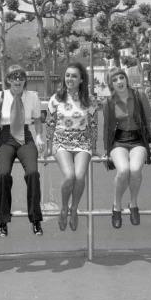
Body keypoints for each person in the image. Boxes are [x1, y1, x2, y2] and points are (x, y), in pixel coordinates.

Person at [103, 67, 151, 229]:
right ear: (111, 84)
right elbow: (107, 128)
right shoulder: (108, 102)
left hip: (137, 140)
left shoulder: (139, 95)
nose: (119, 82)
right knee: (123, 170)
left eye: (121, 78)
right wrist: (107, 151)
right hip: (119, 141)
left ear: (126, 79)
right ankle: (116, 206)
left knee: (135, 169)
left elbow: (149, 119)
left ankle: (133, 204)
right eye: (114, 80)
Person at [0, 65, 45, 237]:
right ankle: (3, 220)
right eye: (13, 77)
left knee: (33, 174)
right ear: (7, 80)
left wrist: (39, 137)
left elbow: (37, 120)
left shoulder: (33, 97)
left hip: (25, 137)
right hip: (5, 138)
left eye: (21, 77)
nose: (17, 80)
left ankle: (35, 219)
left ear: (25, 80)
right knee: (3, 175)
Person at [46, 62, 98, 231]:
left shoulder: (89, 100)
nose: (70, 79)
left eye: (74, 76)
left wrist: (94, 147)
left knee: (80, 176)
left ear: (82, 80)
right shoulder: (56, 99)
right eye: (67, 75)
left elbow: (93, 125)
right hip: (61, 141)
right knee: (69, 176)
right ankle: (64, 208)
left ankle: (74, 208)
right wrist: (48, 147)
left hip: (82, 142)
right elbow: (50, 123)